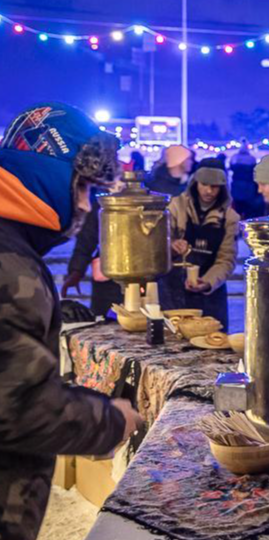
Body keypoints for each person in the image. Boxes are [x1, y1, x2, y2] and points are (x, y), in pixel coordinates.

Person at [0, 103, 143, 540]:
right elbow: (17, 407)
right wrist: (112, 420)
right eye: (82, 188)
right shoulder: (11, 267)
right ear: (44, 172)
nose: (84, 205)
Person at [160, 164, 239, 330]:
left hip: (210, 293)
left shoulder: (230, 218)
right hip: (174, 288)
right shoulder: (175, 207)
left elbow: (226, 259)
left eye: (214, 187)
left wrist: (208, 282)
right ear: (195, 183)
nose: (209, 191)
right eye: (204, 185)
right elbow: (159, 244)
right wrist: (172, 245)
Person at [61, 183, 125, 317]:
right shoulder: (100, 207)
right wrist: (76, 271)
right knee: (103, 320)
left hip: (143, 277)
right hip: (108, 278)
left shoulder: (146, 206)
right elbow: (86, 241)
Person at [229, 139, 263, 219]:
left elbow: (231, 167)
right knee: (248, 209)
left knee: (237, 208)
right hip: (248, 187)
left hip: (238, 186)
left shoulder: (234, 158)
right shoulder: (252, 159)